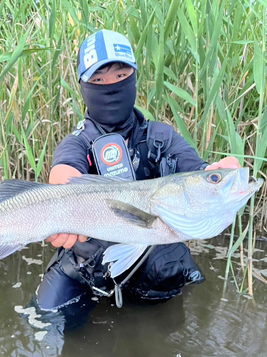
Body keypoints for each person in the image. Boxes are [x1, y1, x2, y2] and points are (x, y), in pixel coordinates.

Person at [36, 29, 240, 312]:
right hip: (85, 265)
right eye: (98, 79)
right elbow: (64, 174)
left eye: (120, 76)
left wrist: (217, 174)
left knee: (168, 273)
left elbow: (197, 171)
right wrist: (59, 203)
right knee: (46, 315)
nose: (111, 86)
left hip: (148, 263)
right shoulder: (77, 142)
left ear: (133, 77)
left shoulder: (161, 137)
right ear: (84, 86)